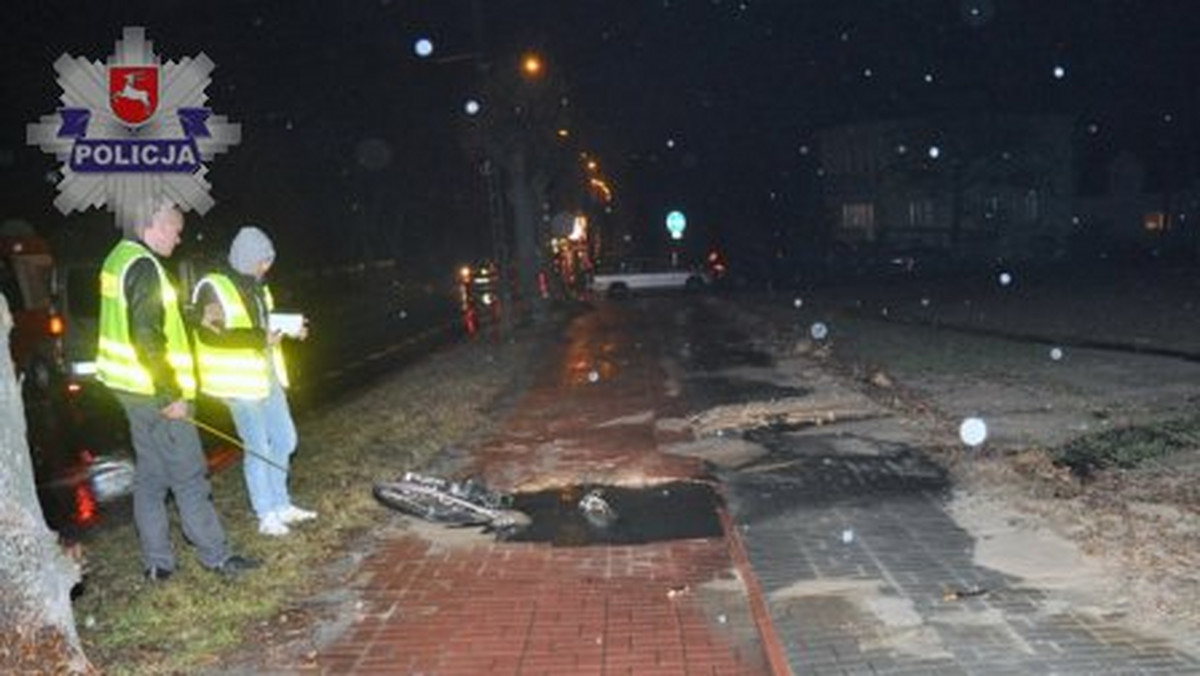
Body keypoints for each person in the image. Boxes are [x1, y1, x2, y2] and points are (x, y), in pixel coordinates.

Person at [95, 199, 259, 581]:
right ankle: (216, 556)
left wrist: (191, 315)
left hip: (131, 390)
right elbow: (147, 336)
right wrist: (170, 396)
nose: (179, 236)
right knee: (188, 474)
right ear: (152, 225)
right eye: (175, 227)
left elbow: (143, 316)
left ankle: (157, 563)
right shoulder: (145, 266)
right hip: (156, 392)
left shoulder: (118, 259)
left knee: (152, 477)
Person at [192, 225, 315, 537]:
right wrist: (261, 338)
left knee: (286, 440)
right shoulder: (213, 287)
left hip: (266, 375)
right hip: (237, 383)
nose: (267, 267)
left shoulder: (258, 286)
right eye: (263, 260)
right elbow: (212, 334)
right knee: (258, 447)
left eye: (269, 260)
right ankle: (266, 513)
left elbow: (265, 325)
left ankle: (281, 503)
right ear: (247, 258)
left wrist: (288, 330)